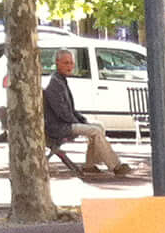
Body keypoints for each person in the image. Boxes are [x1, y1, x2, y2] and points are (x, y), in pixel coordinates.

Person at [42, 49, 134, 177]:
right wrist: (79, 123)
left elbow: (71, 110)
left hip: (66, 123)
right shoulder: (54, 83)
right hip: (58, 127)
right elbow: (62, 113)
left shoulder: (61, 80)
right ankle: (116, 166)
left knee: (99, 126)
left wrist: (83, 120)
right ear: (57, 63)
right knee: (94, 130)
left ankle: (89, 165)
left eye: (71, 63)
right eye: (66, 63)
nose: (69, 66)